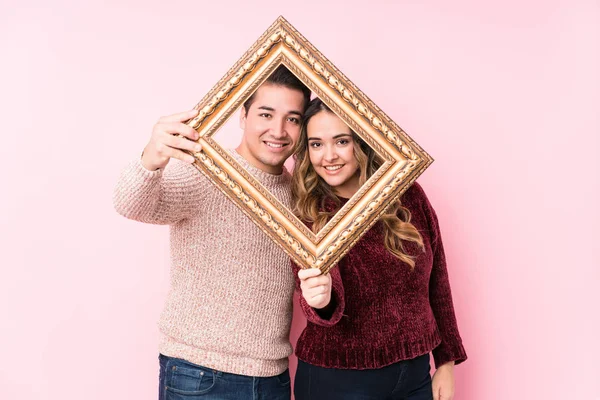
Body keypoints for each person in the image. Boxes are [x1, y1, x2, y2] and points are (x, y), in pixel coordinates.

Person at [113, 65, 311, 400]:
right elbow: (131, 205)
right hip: (199, 374)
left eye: (293, 118)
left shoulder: (300, 197)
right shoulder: (205, 173)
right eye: (266, 114)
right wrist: (153, 155)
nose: (278, 130)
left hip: (272, 377)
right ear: (243, 115)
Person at [290, 98, 467, 400]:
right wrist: (320, 300)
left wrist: (446, 361)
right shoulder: (310, 211)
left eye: (341, 141)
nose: (328, 156)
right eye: (316, 144)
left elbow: (437, 279)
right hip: (339, 382)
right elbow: (320, 305)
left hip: (415, 376)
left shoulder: (407, 195)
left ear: (362, 142)